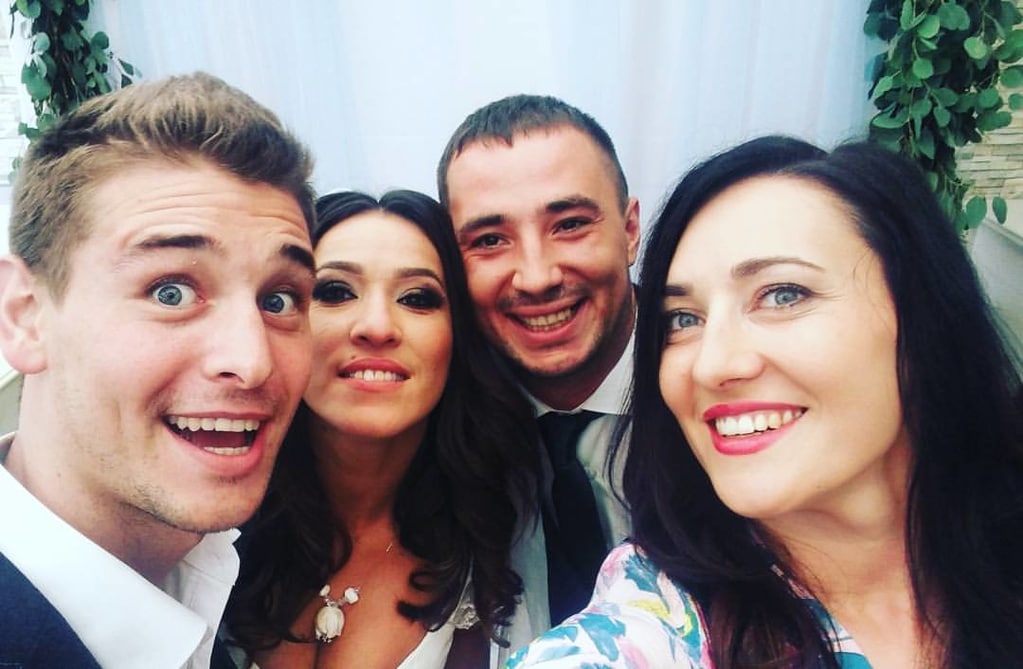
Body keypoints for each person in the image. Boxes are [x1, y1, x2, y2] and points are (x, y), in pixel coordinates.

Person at [508, 136, 1023, 668]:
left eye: (783, 295)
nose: (711, 365)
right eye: (683, 319)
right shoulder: (656, 626)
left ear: (923, 319)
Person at [0, 72, 317, 669]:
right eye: (171, 291)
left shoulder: (207, 574)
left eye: (279, 300)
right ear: (25, 316)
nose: (252, 362)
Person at [224, 190, 538, 668]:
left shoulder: (499, 538)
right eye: (335, 292)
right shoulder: (208, 513)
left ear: (458, 338)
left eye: (416, 298)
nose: (376, 327)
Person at [437, 95, 639, 635]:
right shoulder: (440, 416)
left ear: (630, 231)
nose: (536, 277)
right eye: (489, 240)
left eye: (569, 224)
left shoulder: (722, 384)